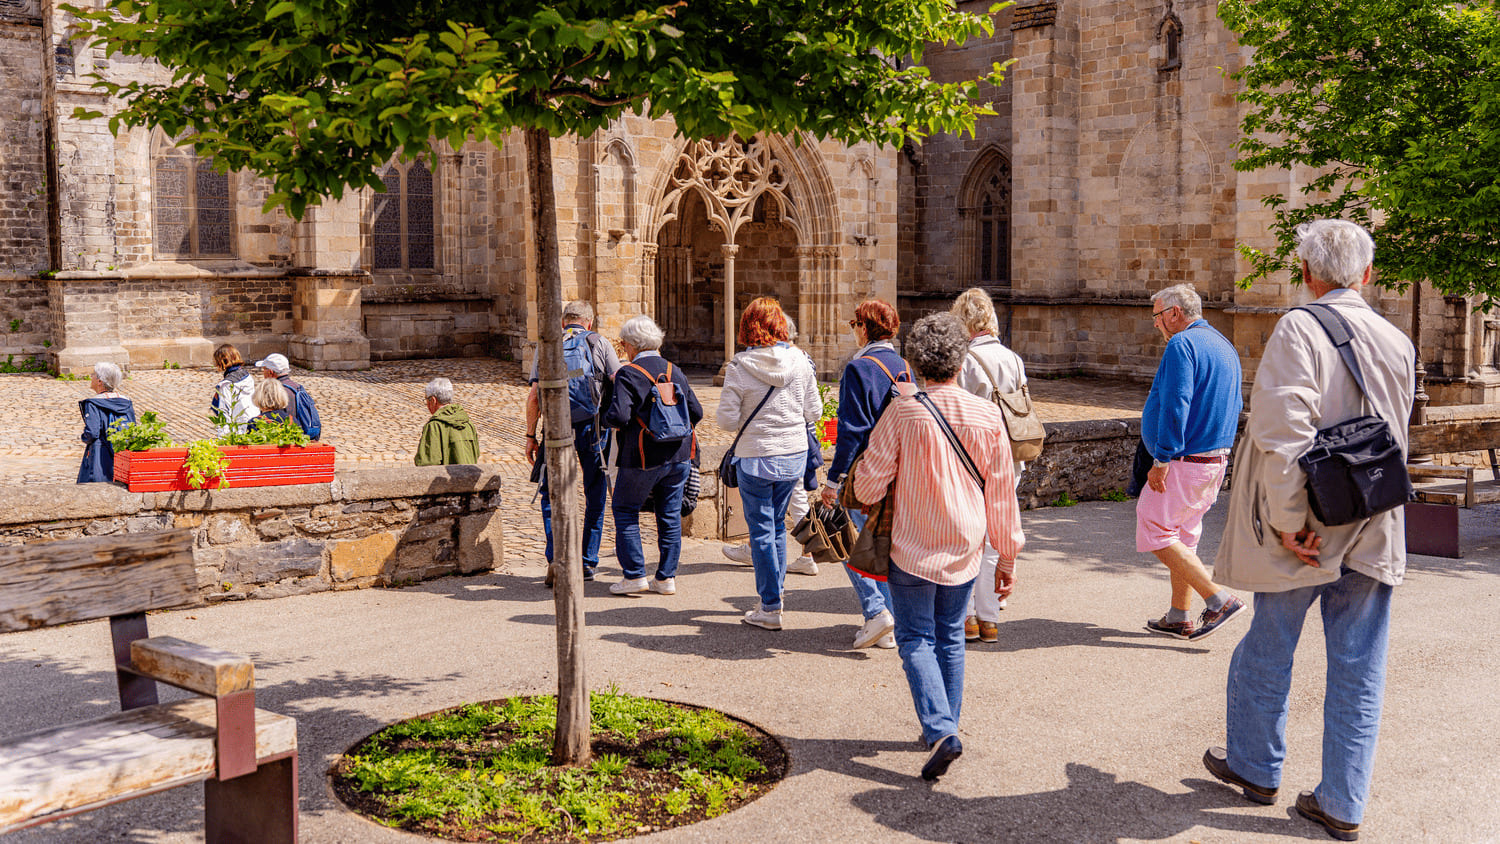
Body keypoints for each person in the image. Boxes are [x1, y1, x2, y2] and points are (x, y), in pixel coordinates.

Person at [1203, 220, 1414, 843]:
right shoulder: (1396, 340)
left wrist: (1293, 524)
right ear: (1368, 275)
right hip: (1374, 521)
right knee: (1360, 668)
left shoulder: (1300, 326)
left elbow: (1281, 434)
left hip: (1312, 526)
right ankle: (1342, 802)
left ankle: (1254, 765)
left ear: (1305, 274)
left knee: (1268, 647)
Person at [851, 313, 1023, 781]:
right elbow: (1002, 492)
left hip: (914, 542)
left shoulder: (904, 411)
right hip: (965, 544)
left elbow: (867, 487)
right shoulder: (988, 415)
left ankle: (942, 729)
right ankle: (945, 726)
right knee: (949, 636)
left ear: (916, 361)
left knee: (915, 638)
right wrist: (1006, 554)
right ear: (960, 359)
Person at [1137, 283, 1246, 641]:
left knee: (1155, 529)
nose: (1156, 324)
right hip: (1214, 459)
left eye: (1157, 316)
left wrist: (1162, 458)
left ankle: (1219, 600)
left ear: (1174, 313)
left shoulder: (1182, 344)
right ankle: (1178, 615)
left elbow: (1176, 403)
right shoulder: (1224, 346)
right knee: (1183, 536)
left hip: (1184, 459)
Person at [718, 297, 821, 631]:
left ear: (748, 326)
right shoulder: (801, 362)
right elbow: (815, 412)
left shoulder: (738, 366)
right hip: (793, 455)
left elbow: (727, 421)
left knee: (763, 530)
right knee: (776, 526)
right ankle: (774, 598)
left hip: (756, 457)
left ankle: (770, 605)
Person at [820, 299, 914, 649]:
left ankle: (876, 612)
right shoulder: (902, 366)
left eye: (854, 324)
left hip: (867, 471)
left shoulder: (860, 369)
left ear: (864, 327)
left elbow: (851, 431)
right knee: (883, 547)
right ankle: (889, 622)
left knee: (850, 542)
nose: (853, 330)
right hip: (900, 469)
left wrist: (833, 481)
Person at [603, 315, 703, 595]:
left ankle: (634, 575)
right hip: (679, 455)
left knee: (625, 510)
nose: (623, 350)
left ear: (633, 345)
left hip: (642, 457)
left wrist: (605, 418)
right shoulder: (675, 371)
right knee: (669, 516)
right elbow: (697, 412)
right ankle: (666, 578)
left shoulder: (629, 373)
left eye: (624, 345)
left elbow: (619, 416)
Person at [950, 287, 1027, 643]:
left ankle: (965, 616)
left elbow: (956, 412)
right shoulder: (1012, 358)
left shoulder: (964, 359)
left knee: (967, 538)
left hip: (972, 458)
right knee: (996, 538)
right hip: (1007, 457)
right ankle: (990, 619)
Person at [526, 300, 621, 584]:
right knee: (595, 493)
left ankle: (557, 558)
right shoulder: (599, 343)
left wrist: (531, 435)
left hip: (555, 430)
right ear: (589, 322)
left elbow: (533, 397)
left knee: (550, 493)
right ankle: (587, 562)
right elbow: (617, 381)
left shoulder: (547, 345)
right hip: (593, 431)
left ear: (564, 321)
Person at [77, 362, 135, 484]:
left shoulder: (93, 404)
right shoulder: (126, 402)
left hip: (100, 456)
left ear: (99, 381)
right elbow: (132, 427)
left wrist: (84, 438)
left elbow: (92, 432)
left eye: (93, 374)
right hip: (121, 454)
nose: (91, 377)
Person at [255, 353, 321, 441]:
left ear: (270, 372)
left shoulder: (273, 392)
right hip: (301, 436)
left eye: (264, 369)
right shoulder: (298, 387)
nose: (263, 373)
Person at [414, 377, 480, 466]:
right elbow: (476, 454)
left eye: (426, 400)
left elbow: (427, 463)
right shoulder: (468, 423)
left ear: (433, 400)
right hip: (470, 477)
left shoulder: (434, 426)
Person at [210, 344, 257, 437]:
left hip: (238, 429)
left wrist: (222, 439)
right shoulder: (248, 377)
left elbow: (224, 413)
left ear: (221, 362)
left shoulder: (226, 385)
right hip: (253, 422)